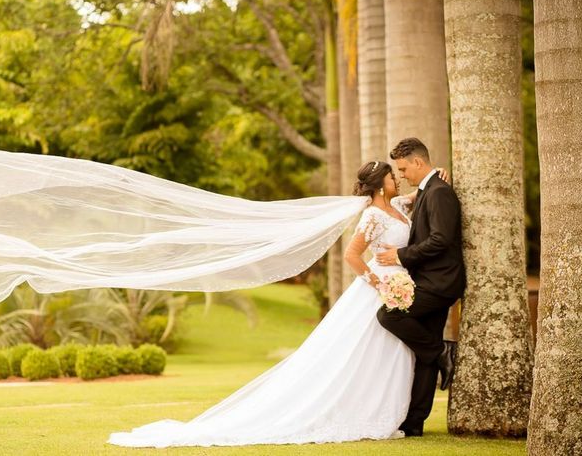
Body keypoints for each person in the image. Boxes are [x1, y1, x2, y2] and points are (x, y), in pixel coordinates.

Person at [107, 155, 452, 448]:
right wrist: (377, 281)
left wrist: (436, 179)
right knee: (369, 348)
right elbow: (352, 254)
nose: (398, 178)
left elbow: (421, 198)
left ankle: (400, 411)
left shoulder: (398, 207)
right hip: (378, 287)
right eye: (393, 175)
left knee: (389, 351)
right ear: (381, 184)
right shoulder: (372, 216)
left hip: (398, 282)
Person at [375, 137, 466, 437]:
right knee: (425, 353)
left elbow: (440, 239)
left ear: (417, 162)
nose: (401, 175)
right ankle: (414, 424)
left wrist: (399, 255)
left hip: (439, 283)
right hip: (429, 280)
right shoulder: (429, 189)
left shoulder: (439, 193)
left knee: (389, 315)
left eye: (403, 169)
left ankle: (442, 350)